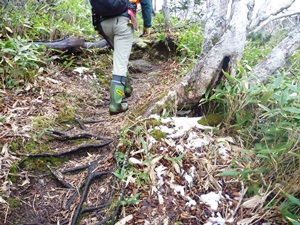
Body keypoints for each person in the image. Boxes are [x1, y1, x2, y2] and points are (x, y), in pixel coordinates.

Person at [97, 0, 152, 115]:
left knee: (120, 58)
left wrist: (97, 25)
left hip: (103, 23)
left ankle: (126, 87)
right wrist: (147, 25)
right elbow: (146, 2)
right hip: (123, 21)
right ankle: (115, 104)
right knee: (121, 62)